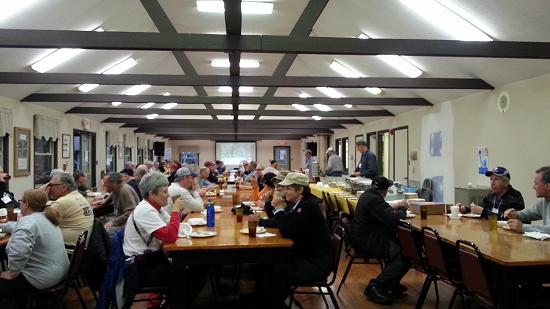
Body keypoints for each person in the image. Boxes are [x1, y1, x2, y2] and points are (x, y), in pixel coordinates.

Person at [122, 171, 204, 307]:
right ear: (151, 194)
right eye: (164, 192)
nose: (168, 195)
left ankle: (175, 301)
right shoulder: (145, 210)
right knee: (194, 273)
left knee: (197, 267)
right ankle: (177, 303)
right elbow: (170, 236)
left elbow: (174, 228)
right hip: (140, 268)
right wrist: (176, 211)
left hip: (154, 259)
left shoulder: (157, 208)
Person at [0, 190, 69, 304]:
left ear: (26, 204)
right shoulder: (45, 217)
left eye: (21, 201)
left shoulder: (28, 223)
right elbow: (15, 226)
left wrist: (12, 273)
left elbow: (18, 253)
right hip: (60, 273)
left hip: (41, 279)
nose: (20, 204)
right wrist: (2, 227)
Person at [351, 176, 409, 305]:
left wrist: (394, 206)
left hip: (365, 237)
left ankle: (390, 283)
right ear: (385, 191)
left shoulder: (368, 195)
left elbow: (383, 211)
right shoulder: (374, 200)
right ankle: (377, 286)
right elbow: (393, 219)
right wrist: (403, 208)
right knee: (406, 255)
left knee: (403, 250)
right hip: (369, 241)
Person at [271, 173, 332, 288]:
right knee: (269, 263)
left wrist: (279, 210)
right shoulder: (297, 204)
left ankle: (277, 301)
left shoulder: (308, 206)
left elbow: (287, 232)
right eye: (284, 188)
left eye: (288, 188)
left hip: (314, 263)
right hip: (304, 255)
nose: (284, 192)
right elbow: (284, 223)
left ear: (300, 190)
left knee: (273, 268)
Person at [459, 166, 524, 220]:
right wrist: (465, 209)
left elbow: (507, 218)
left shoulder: (515, 196)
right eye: (491, 179)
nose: (492, 183)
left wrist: (483, 212)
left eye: (496, 179)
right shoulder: (491, 195)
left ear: (505, 182)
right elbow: (479, 208)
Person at [48, 173, 94, 248]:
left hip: (67, 250)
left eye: (52, 185)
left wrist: (41, 194)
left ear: (64, 188)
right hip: (80, 250)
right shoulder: (78, 196)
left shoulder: (63, 202)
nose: (50, 188)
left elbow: (38, 221)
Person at [505, 166, 550, 233]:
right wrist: (516, 214)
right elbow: (529, 213)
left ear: (547, 186)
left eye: (536, 183)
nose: (533, 187)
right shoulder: (543, 201)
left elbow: (548, 230)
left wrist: (523, 227)